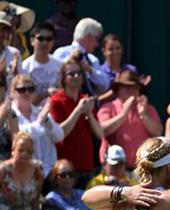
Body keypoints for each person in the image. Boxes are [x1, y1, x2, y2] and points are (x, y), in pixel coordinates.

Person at [48, 59, 102, 187]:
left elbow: (100, 134)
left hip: (87, 165)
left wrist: (89, 113)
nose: (76, 76)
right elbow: (60, 133)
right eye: (71, 74)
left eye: (79, 73)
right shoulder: (56, 101)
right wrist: (78, 110)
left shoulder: (85, 99)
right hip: (66, 170)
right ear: (63, 78)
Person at [97, 69, 161, 168]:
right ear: (119, 90)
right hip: (115, 168)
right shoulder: (108, 107)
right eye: (126, 87)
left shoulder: (148, 109)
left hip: (142, 169)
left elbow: (158, 132)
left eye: (134, 88)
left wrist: (143, 115)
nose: (131, 91)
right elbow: (102, 131)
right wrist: (123, 113)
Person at [11, 73, 64, 179]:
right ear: (13, 93)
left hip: (49, 171)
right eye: (22, 89)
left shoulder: (40, 112)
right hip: (25, 174)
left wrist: (47, 120)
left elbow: (59, 136)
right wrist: (39, 121)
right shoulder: (11, 115)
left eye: (31, 89)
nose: (27, 93)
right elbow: (22, 136)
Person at [52, 17, 109, 95]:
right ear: (89, 36)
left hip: (89, 103)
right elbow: (53, 76)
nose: (97, 44)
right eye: (96, 38)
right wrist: (70, 61)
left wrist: (90, 70)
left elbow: (105, 85)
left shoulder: (92, 60)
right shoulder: (62, 52)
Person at [0, 131, 42, 210]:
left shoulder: (37, 170)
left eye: (29, 151)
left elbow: (36, 200)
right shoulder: (3, 170)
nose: (25, 154)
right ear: (13, 150)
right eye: (21, 150)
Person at [20, 22, 61, 104]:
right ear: (32, 41)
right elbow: (24, 100)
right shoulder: (24, 67)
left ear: (53, 42)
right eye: (40, 39)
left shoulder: (60, 65)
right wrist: (46, 94)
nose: (45, 42)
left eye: (49, 39)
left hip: (55, 112)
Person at [0, 73, 18, 160]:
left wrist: (9, 116)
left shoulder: (11, 112)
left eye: (0, 84)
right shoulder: (4, 111)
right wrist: (2, 115)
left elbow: (16, 142)